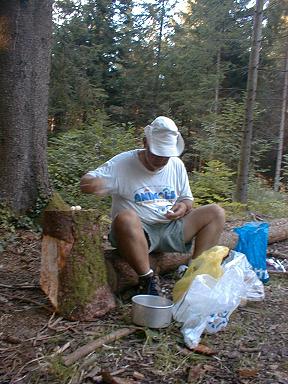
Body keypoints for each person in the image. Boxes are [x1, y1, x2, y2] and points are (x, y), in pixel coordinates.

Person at [80, 116, 225, 296]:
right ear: (145, 143)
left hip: (170, 227)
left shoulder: (176, 165)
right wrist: (93, 184)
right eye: (156, 154)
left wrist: (183, 207)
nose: (161, 160)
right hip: (137, 232)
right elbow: (85, 182)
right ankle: (147, 279)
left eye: (166, 156)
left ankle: (196, 275)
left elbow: (187, 199)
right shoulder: (123, 163)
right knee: (126, 217)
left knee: (216, 212)